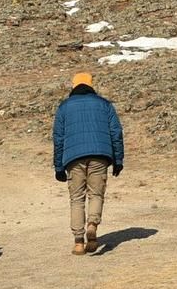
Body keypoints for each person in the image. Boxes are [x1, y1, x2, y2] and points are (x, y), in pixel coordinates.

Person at [52, 71, 124, 255]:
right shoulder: (104, 104)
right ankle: (92, 224)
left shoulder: (64, 107)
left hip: (73, 158)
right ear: (91, 85)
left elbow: (58, 138)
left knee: (76, 199)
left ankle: (78, 241)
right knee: (96, 194)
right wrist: (118, 160)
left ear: (73, 85)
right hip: (100, 155)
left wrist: (59, 166)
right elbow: (116, 132)